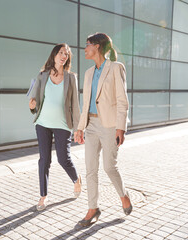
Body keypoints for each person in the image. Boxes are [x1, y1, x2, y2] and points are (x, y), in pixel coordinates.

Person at [74, 33, 132, 226]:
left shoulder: (116, 68)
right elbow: (86, 103)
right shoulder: (88, 73)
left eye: (87, 44)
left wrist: (120, 128)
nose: (85, 48)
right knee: (91, 169)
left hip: (109, 125)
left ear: (97, 46)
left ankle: (123, 195)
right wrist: (80, 128)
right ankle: (93, 209)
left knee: (109, 166)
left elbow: (122, 101)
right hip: (91, 125)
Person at [28, 43, 82, 211]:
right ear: (54, 55)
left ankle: (76, 179)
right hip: (42, 123)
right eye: (60, 52)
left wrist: (79, 128)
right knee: (44, 160)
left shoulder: (71, 77)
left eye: (66, 54)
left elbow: (75, 104)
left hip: (62, 125)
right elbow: (34, 101)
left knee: (63, 159)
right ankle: (43, 196)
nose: (64, 56)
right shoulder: (43, 74)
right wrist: (32, 106)